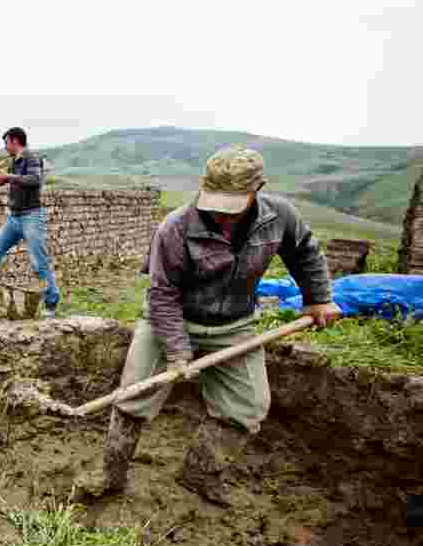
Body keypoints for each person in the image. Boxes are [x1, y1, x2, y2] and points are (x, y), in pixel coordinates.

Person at [74, 145, 341, 506]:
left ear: (256, 192)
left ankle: (199, 472)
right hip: (170, 317)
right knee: (133, 396)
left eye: (233, 205)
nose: (222, 215)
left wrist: (319, 298)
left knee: (248, 407)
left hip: (235, 323)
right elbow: (162, 295)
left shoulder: (279, 216)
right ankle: (110, 473)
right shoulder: (176, 227)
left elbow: (305, 251)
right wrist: (178, 352)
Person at [0, 127, 60, 317]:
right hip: (14, 218)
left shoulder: (31, 158)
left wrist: (8, 177)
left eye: (6, 142)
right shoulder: (14, 162)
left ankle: (51, 302)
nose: (5, 147)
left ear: (15, 141)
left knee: (39, 262)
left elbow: (35, 179)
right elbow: (18, 181)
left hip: (31, 217)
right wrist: (0, 181)